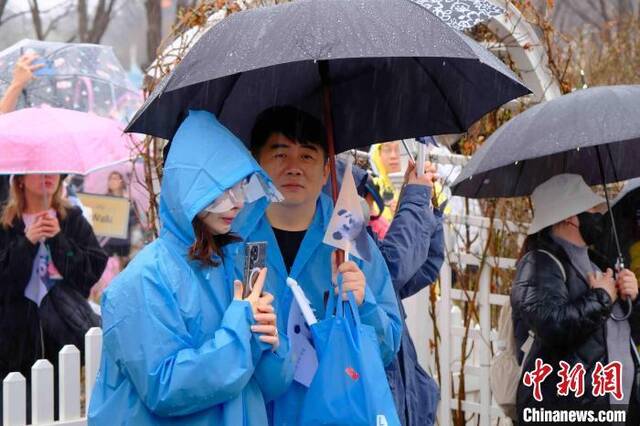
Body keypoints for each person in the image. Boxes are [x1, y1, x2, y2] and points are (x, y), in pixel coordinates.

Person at [88, 110, 293, 425]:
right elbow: (166, 388)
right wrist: (240, 324)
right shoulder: (143, 281)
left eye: (242, 186)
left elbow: (267, 387)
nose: (237, 201)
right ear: (188, 188)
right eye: (223, 187)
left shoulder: (236, 267)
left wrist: (272, 345)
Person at [231, 106, 402, 425]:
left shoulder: (348, 236)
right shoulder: (235, 237)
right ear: (257, 164)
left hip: (329, 413)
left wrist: (364, 305)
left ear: (326, 170)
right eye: (280, 155)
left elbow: (387, 344)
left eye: (307, 156)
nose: (294, 168)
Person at [511, 174, 640, 424]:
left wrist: (633, 298)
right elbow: (552, 324)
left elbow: (628, 331)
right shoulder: (539, 264)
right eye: (591, 208)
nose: (598, 215)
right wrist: (602, 297)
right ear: (571, 216)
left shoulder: (597, 263)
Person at [0, 173, 107, 419]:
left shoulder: (73, 221)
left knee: (58, 413)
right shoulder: (6, 223)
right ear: (20, 180)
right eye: (38, 170)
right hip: (12, 343)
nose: (48, 175)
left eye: (54, 171)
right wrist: (27, 243)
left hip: (61, 337)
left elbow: (89, 273)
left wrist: (59, 240)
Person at [370, 141, 402, 221]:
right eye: (387, 150)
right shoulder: (370, 187)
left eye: (397, 149)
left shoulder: (417, 185)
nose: (393, 156)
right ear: (378, 154)